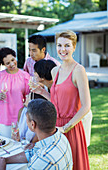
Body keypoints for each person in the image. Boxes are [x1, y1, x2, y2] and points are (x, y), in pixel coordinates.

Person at [32, 30, 91, 170]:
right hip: (55, 127)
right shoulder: (55, 71)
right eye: (59, 45)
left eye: (67, 45)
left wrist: (66, 127)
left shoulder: (79, 70)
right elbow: (56, 101)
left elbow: (86, 106)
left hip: (71, 127)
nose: (62, 49)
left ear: (74, 47)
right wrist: (40, 91)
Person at [0, 99, 73, 170]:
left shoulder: (44, 159)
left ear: (33, 124)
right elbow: (31, 153)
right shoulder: (61, 137)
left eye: (26, 119)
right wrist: (4, 160)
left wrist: (0, 166)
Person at [16, 59, 57, 142]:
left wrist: (29, 105)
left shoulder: (56, 89)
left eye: (35, 72)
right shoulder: (49, 88)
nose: (33, 73)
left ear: (41, 77)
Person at [0, 47, 30, 138]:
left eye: (12, 60)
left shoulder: (25, 76)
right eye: (7, 63)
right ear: (3, 64)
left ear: (15, 57)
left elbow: (28, 96)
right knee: (6, 145)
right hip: (3, 117)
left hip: (20, 117)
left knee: (19, 146)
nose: (12, 64)